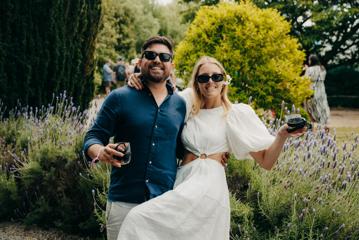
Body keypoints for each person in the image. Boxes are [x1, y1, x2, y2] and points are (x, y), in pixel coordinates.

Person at [119, 56, 306, 239]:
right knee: (146, 222)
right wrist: (139, 79)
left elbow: (266, 162)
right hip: (183, 180)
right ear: (197, 82)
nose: (210, 82)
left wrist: (281, 135)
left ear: (224, 80)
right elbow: (159, 98)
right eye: (203, 78)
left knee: (138, 217)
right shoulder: (186, 107)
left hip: (209, 187)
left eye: (216, 77)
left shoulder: (234, 115)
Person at [83, 36, 188, 240]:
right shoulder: (119, 97)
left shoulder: (181, 104)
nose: (157, 59)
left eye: (164, 56)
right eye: (150, 55)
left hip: (164, 203)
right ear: (140, 62)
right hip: (124, 202)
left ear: (171, 65)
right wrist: (101, 152)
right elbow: (93, 136)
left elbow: (182, 149)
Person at [304, 54, 330, 128]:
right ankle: (325, 127)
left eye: (309, 59)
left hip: (312, 91)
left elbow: (306, 79)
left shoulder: (309, 69)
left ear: (311, 61)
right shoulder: (322, 68)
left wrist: (306, 69)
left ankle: (313, 127)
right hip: (321, 91)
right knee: (322, 108)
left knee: (311, 110)